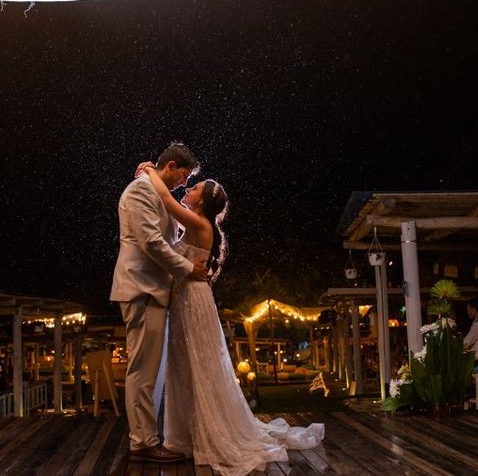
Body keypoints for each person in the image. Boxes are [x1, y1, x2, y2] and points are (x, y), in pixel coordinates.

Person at [138, 162, 324, 476]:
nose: (188, 188)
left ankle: (207, 434)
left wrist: (149, 171)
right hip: (185, 301)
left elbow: (169, 202)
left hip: (193, 303)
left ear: (202, 202)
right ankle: (184, 436)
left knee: (200, 367)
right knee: (183, 368)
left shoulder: (200, 225)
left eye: (194, 188)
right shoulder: (196, 224)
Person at [110, 142, 209, 464]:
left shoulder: (153, 189)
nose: (184, 183)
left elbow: (165, 232)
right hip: (141, 289)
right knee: (142, 369)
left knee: (151, 369)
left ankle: (146, 438)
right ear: (171, 166)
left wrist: (150, 171)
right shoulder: (140, 192)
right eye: (183, 175)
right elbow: (151, 242)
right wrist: (187, 269)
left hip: (153, 290)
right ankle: (142, 443)